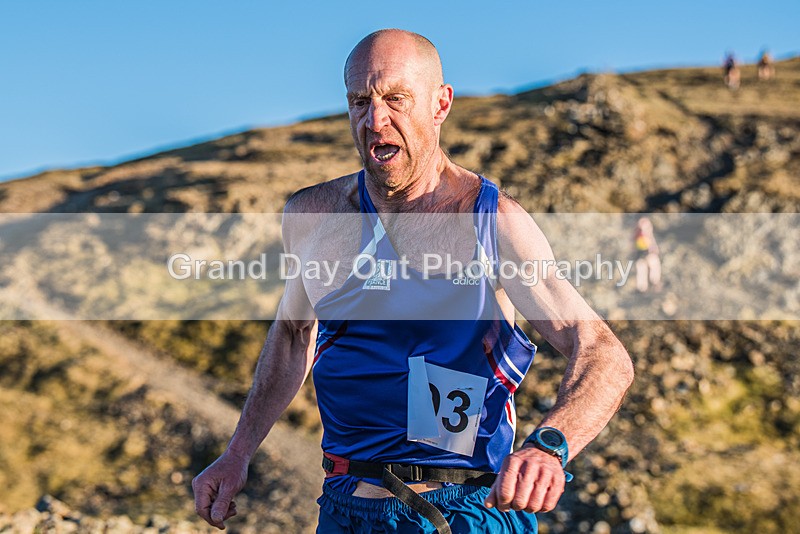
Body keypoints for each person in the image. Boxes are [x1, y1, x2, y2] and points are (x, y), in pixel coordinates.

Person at [192, 29, 633, 533]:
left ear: (440, 104)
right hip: (344, 508)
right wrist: (237, 453)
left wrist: (549, 445)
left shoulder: (490, 222)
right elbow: (294, 336)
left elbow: (602, 352)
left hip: (462, 511)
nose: (375, 120)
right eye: (360, 101)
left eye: (395, 99)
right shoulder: (313, 216)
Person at [633, 217, 661, 293]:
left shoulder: (644, 234)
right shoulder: (639, 234)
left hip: (647, 253)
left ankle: (653, 282)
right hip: (641, 254)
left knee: (652, 264)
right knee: (642, 268)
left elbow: (652, 243)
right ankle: (643, 287)